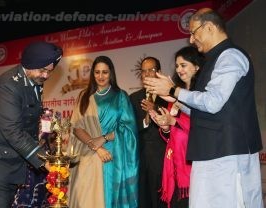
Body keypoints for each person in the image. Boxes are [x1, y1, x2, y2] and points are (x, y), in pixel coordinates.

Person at [144, 8, 263, 208]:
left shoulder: (230, 56)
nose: (191, 39)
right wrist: (176, 99)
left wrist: (174, 91)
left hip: (229, 153)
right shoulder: (213, 60)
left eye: (193, 32)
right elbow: (205, 110)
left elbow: (213, 102)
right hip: (211, 153)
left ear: (209, 27)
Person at [0, 41, 63, 208]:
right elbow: (13, 132)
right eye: (42, 70)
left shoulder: (33, 80)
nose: (46, 75)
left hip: (8, 160)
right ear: (29, 64)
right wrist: (45, 161)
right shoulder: (8, 87)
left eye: (49, 71)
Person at [69, 55, 139, 208]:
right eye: (97, 72)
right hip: (88, 155)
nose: (101, 76)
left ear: (111, 73)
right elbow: (76, 127)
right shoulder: (84, 96)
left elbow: (128, 128)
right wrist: (96, 147)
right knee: (86, 200)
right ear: (93, 74)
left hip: (112, 156)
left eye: (105, 72)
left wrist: (104, 138)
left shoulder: (120, 96)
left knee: (109, 199)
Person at [148, 46, 204, 208]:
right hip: (174, 164)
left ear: (197, 67)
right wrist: (165, 126)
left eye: (183, 65)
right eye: (177, 66)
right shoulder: (173, 95)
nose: (179, 69)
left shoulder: (201, 95)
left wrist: (173, 121)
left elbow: (201, 125)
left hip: (194, 164)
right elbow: (171, 134)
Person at [129, 56, 168, 208]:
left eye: (151, 70)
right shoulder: (133, 98)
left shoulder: (168, 97)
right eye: (143, 71)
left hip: (163, 158)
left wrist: (154, 110)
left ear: (158, 72)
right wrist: (146, 118)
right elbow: (130, 129)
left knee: (162, 201)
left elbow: (174, 124)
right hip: (141, 158)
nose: (147, 74)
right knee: (143, 200)